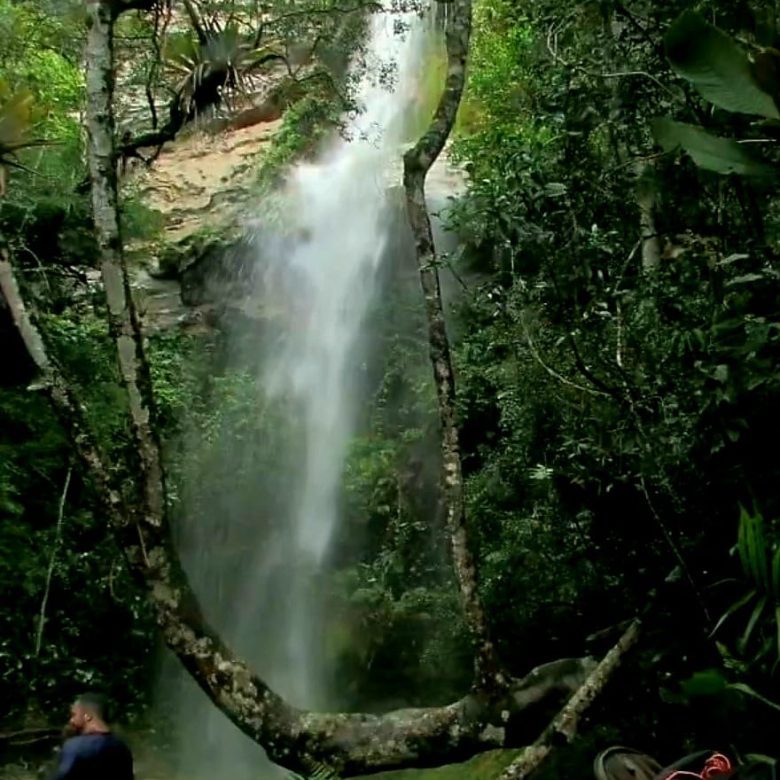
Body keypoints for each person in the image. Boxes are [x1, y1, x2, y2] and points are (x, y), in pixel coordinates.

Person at [51, 692, 134, 780]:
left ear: (88, 716)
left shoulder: (75, 746)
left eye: (74, 715)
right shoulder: (122, 748)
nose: (71, 720)